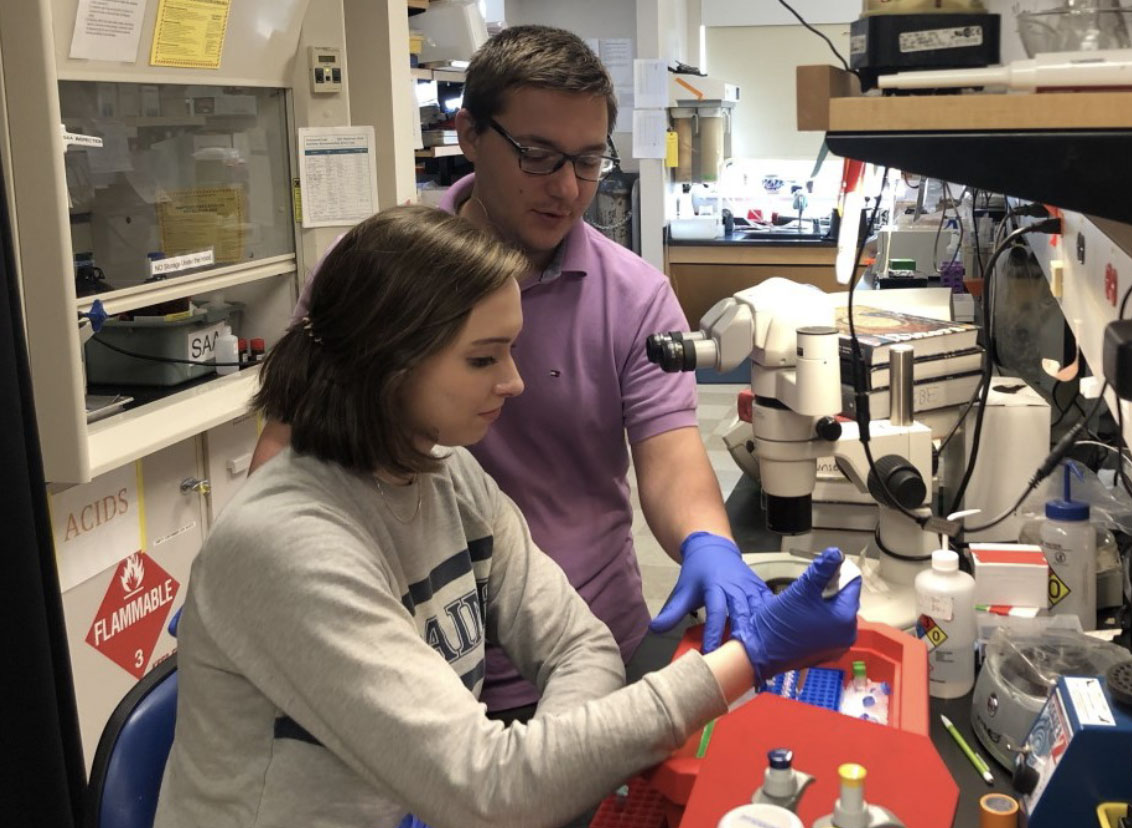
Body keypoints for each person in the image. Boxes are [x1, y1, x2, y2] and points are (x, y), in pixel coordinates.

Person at [154, 205, 861, 828]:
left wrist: (533, 779)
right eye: (484, 357)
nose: (515, 381)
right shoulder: (288, 546)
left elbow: (579, 646)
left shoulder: (442, 470)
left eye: (512, 349)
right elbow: (490, 791)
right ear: (387, 363)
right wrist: (746, 658)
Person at [251, 25, 768, 720]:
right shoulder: (376, 270)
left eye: (588, 162)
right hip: (401, 659)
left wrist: (710, 542)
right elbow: (291, 443)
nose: (566, 188)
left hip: (581, 647)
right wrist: (256, 560)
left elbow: (672, 460)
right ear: (468, 132)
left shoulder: (635, 295)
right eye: (538, 155)